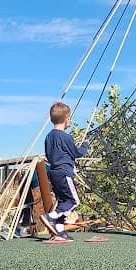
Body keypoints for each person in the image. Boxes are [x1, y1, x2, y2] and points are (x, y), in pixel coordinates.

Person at [40, 101, 88, 242]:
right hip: (64, 173)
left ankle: (59, 231)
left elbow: (48, 155)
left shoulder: (48, 137)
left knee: (63, 202)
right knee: (74, 201)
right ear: (67, 119)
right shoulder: (66, 137)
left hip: (53, 173)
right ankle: (51, 216)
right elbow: (77, 153)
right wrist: (85, 145)